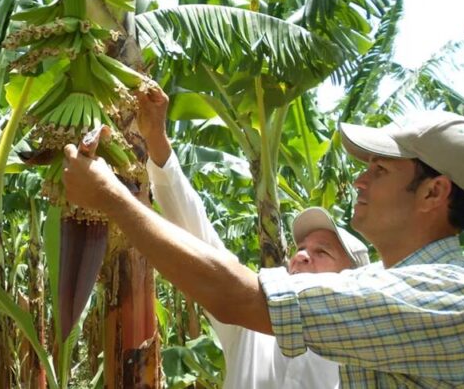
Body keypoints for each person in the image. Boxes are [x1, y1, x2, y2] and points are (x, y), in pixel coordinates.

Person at [63, 94, 464, 387]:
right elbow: (204, 245)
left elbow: (232, 291)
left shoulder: (447, 299)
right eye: (302, 248)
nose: (360, 180)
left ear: (433, 192)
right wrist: (158, 147)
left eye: (381, 170)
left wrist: (111, 199)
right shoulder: (273, 335)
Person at [143, 89, 368, 387]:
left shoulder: (361, 356)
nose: (301, 255)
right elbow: (198, 236)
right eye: (300, 248)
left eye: (322, 252)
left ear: (353, 277)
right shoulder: (250, 320)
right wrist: (155, 140)